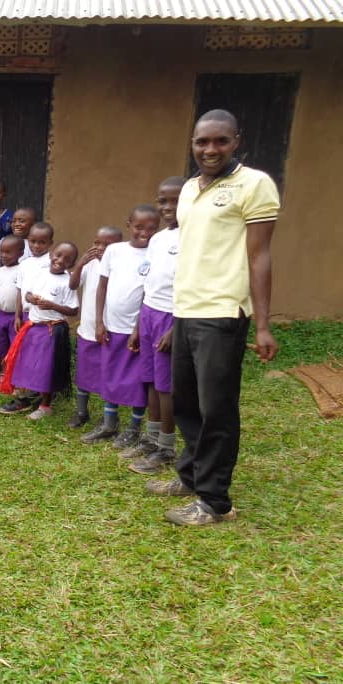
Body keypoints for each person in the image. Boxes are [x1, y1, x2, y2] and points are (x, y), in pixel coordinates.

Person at [147, 109, 279, 526]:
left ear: (236, 141)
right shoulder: (189, 189)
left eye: (221, 140)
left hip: (223, 311)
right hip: (187, 309)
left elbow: (259, 256)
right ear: (193, 143)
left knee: (216, 407)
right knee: (186, 402)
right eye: (202, 141)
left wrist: (262, 324)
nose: (210, 149)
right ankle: (190, 476)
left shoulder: (254, 184)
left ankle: (215, 501)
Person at [81, 205, 158, 445]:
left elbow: (150, 294)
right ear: (128, 225)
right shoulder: (115, 251)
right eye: (139, 227)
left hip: (137, 330)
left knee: (136, 380)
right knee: (110, 374)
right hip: (111, 326)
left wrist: (138, 329)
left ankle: (134, 427)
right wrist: (100, 322)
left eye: (151, 229)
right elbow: (102, 287)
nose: (144, 233)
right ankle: (109, 424)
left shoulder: (155, 254)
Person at [125, 177, 184, 474]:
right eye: (163, 201)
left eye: (176, 200)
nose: (168, 207)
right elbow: (149, 284)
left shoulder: (193, 237)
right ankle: (151, 438)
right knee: (149, 380)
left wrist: (176, 328)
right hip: (149, 314)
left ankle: (166, 447)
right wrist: (138, 325)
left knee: (165, 386)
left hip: (171, 318)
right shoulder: (158, 239)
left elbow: (193, 287)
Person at [0, 242, 79, 419]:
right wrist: (31, 299)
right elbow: (27, 293)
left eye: (67, 259)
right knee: (27, 363)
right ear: (51, 254)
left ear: (72, 264)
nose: (60, 260)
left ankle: (45, 405)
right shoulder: (40, 273)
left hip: (52, 329)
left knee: (46, 368)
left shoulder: (68, 282)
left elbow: (73, 310)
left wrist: (52, 305)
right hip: (33, 326)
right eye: (58, 255)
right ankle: (27, 397)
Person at [0, 221, 56, 414]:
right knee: (24, 357)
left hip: (44, 318)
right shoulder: (25, 264)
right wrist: (17, 315)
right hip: (25, 316)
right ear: (28, 240)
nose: (36, 246)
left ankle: (43, 398)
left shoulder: (52, 262)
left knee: (42, 359)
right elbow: (20, 291)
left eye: (42, 242)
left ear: (50, 243)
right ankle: (26, 396)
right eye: (33, 241)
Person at [67, 226, 123, 428]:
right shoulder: (90, 264)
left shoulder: (120, 266)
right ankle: (81, 412)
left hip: (109, 330)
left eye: (107, 245)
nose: (100, 248)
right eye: (97, 243)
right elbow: (73, 285)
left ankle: (110, 416)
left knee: (110, 375)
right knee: (84, 374)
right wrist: (80, 264)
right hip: (87, 329)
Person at [0, 235, 24, 388]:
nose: (4, 255)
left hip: (16, 316)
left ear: (20, 253)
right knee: (0, 345)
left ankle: (16, 375)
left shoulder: (23, 271)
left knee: (15, 345)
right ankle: (4, 373)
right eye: (2, 252)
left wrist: (19, 316)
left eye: (8, 252)